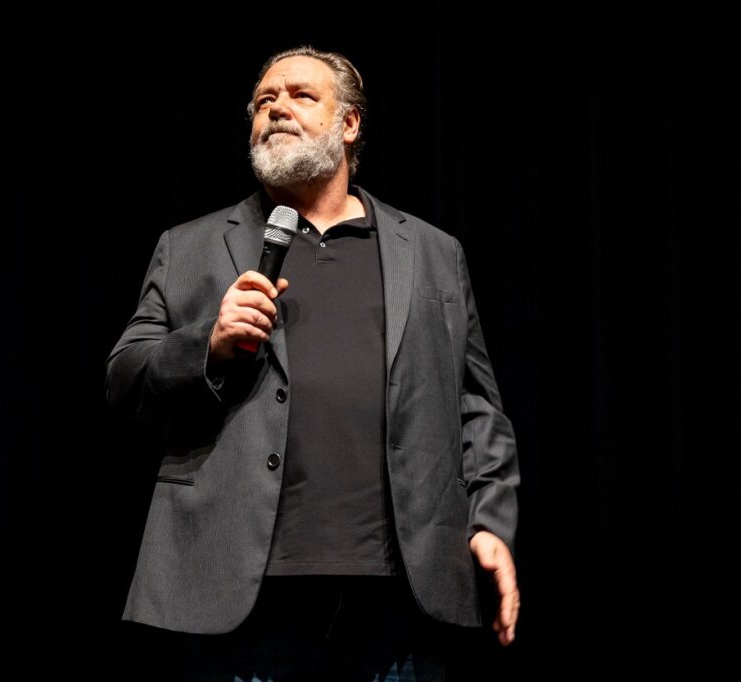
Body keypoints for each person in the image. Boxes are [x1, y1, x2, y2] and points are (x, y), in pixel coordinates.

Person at [106, 45, 521, 680]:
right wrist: (208, 343)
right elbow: (124, 379)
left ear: (349, 124)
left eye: (301, 95)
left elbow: (476, 405)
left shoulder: (433, 252)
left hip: (398, 596)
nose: (276, 109)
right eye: (263, 102)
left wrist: (489, 521)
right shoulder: (190, 246)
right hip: (243, 595)